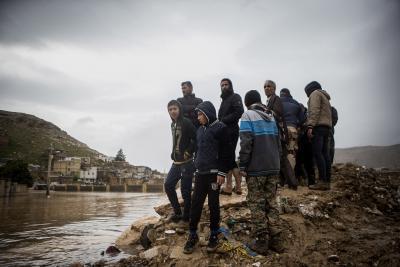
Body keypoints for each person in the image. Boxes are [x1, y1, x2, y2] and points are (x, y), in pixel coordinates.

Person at [183, 101, 230, 254]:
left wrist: (222, 172)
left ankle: (215, 234)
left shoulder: (221, 128)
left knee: (213, 204)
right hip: (200, 174)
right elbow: (197, 149)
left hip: (214, 175)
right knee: (195, 204)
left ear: (207, 113)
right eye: (197, 114)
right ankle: (192, 235)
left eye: (200, 114)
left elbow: (227, 153)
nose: (198, 117)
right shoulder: (200, 130)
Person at [238, 90, 281, 255]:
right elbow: (278, 144)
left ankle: (262, 242)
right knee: (271, 202)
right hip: (273, 166)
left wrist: (242, 165)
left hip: (256, 169)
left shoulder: (247, 115)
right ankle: (277, 240)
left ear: (246, 103)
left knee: (256, 204)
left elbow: (246, 143)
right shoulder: (271, 116)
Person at [164, 100, 197, 223]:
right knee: (168, 185)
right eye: (170, 109)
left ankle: (186, 217)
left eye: (174, 109)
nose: (172, 111)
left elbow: (196, 139)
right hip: (176, 163)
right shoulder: (172, 124)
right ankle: (177, 212)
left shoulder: (186, 123)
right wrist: (173, 153)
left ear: (179, 109)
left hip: (187, 162)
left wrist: (188, 152)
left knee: (185, 191)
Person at [264, 80, 298, 189]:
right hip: (275, 133)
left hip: (277, 133)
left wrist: (265, 113)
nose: (266, 88)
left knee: (283, 159)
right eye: (264, 86)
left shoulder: (276, 99)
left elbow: (277, 114)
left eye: (269, 86)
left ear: (274, 88)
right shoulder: (269, 100)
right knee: (281, 159)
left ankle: (292, 183)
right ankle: (285, 182)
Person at [304, 81, 332, 190]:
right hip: (327, 127)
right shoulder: (325, 97)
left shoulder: (315, 94)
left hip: (319, 127)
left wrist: (310, 126)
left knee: (318, 153)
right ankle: (327, 181)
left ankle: (321, 181)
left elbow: (314, 111)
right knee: (325, 154)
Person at [218, 78, 244, 195]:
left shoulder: (235, 97)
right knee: (229, 158)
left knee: (227, 158)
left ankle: (231, 187)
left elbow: (239, 112)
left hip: (231, 131)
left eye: (226, 84)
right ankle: (236, 187)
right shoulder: (224, 101)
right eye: (222, 85)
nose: (224, 87)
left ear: (230, 85)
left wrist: (223, 121)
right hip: (224, 132)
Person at [280, 88, 306, 170]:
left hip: (280, 130)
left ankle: (280, 179)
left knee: (279, 152)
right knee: (291, 153)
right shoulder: (296, 103)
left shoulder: (276, 102)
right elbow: (303, 119)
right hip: (292, 129)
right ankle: (290, 178)